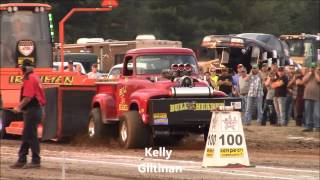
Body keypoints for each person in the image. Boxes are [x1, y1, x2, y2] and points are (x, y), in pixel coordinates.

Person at [11, 59, 46, 169]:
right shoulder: (35, 76)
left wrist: (19, 107)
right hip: (35, 110)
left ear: (24, 68)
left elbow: (28, 97)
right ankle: (22, 159)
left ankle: (35, 160)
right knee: (27, 135)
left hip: (33, 110)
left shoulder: (29, 78)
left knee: (31, 136)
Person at [302, 62, 320, 132]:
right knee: (308, 112)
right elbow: (303, 80)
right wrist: (310, 73)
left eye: (315, 67)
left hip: (317, 96)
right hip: (308, 96)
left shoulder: (318, 74)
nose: (313, 68)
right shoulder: (308, 74)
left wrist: (315, 73)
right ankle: (309, 126)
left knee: (317, 113)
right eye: (312, 67)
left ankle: (317, 126)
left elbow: (318, 80)